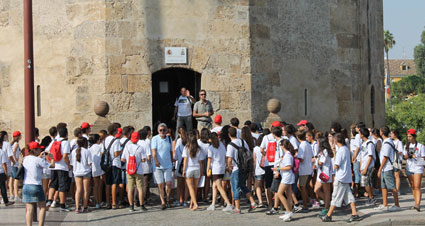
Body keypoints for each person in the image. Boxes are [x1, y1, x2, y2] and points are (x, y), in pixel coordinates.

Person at [321, 133, 361, 222]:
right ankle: (354, 214)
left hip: (341, 177)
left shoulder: (341, 151)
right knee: (349, 196)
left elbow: (336, 166)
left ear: (335, 141)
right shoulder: (346, 149)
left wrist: (334, 153)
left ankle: (328, 215)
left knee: (335, 196)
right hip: (346, 176)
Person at [23, 142, 55, 226]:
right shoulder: (38, 160)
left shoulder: (25, 159)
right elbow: (51, 166)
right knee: (42, 207)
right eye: (39, 148)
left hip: (26, 185)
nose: (41, 150)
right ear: (34, 150)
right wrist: (51, 158)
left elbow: (33, 163)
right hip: (36, 185)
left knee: (29, 209)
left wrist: (39, 156)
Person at [226, 127, 257, 214]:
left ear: (229, 135)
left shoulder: (230, 145)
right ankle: (253, 202)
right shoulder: (243, 142)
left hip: (236, 168)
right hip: (245, 168)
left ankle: (237, 208)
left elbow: (229, 159)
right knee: (243, 185)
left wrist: (229, 168)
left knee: (235, 187)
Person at [374, 126, 400, 211]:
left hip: (387, 167)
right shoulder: (387, 141)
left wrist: (380, 169)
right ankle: (385, 204)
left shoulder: (386, 143)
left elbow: (385, 157)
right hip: (385, 168)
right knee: (383, 186)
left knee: (392, 186)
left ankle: (397, 204)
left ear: (381, 132)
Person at [46, 127, 71, 212]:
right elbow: (65, 156)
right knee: (62, 186)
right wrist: (69, 165)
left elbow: (48, 152)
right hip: (62, 167)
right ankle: (62, 205)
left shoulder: (54, 141)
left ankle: (49, 200)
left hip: (54, 166)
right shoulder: (66, 143)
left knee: (53, 184)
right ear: (66, 134)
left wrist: (53, 160)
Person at [206, 132, 233, 212]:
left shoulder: (211, 148)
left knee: (219, 187)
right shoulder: (222, 145)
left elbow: (209, 160)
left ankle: (228, 204)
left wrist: (207, 169)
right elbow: (225, 156)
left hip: (216, 169)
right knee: (214, 186)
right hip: (222, 168)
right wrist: (226, 166)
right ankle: (213, 204)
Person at [121, 132, 147, 212]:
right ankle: (142, 205)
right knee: (140, 188)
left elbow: (123, 159)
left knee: (130, 188)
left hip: (129, 170)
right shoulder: (140, 148)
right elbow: (143, 160)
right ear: (138, 138)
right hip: (138, 170)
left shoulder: (127, 147)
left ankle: (131, 206)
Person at [151, 123, 173, 210]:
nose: (162, 131)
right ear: (158, 131)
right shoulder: (155, 139)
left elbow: (171, 151)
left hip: (168, 164)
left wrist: (172, 160)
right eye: (160, 130)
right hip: (158, 165)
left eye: (164, 130)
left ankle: (167, 199)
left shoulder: (169, 139)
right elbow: (154, 151)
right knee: (160, 184)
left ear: (167, 130)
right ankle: (162, 201)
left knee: (168, 183)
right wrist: (156, 161)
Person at [403, 129, 425, 212]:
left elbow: (423, 158)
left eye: (410, 136)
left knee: (417, 186)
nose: (408, 138)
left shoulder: (420, 146)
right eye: (408, 136)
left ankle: (418, 204)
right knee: (413, 186)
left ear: (414, 136)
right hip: (409, 168)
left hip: (418, 168)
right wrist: (406, 156)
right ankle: (416, 202)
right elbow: (404, 157)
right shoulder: (406, 146)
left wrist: (416, 157)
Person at [275, 139, 296, 222]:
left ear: (283, 146)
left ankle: (288, 211)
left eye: (280, 145)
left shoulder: (287, 155)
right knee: (289, 194)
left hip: (287, 177)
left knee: (279, 193)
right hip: (287, 176)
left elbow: (288, 167)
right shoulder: (287, 154)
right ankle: (288, 212)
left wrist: (278, 168)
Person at [182, 132, 203, 211]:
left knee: (190, 188)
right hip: (197, 168)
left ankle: (195, 204)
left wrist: (183, 170)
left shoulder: (186, 148)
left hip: (189, 168)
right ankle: (192, 203)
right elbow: (201, 162)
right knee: (195, 188)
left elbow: (185, 160)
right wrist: (201, 171)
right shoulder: (199, 149)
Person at [71, 137, 92, 213]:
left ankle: (77, 207)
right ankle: (85, 206)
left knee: (78, 189)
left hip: (77, 172)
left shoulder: (73, 152)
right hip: (86, 171)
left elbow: (72, 163)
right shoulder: (87, 151)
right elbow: (90, 163)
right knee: (86, 190)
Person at [103, 124, 122, 209]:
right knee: (114, 183)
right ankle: (114, 203)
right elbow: (116, 153)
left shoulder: (106, 139)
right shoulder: (116, 140)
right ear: (114, 131)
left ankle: (108, 202)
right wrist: (121, 151)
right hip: (115, 163)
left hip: (107, 163)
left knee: (108, 183)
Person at [314, 137, 333, 217]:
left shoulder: (325, 151)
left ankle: (326, 207)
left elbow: (321, 162)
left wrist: (316, 161)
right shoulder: (321, 151)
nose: (316, 143)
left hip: (325, 173)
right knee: (316, 190)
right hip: (320, 173)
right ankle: (328, 202)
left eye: (317, 141)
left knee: (326, 191)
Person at [296, 130, 314, 213]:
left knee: (302, 187)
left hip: (304, 170)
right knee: (306, 186)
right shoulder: (308, 144)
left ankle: (305, 205)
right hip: (309, 168)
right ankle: (311, 200)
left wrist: (296, 157)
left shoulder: (302, 145)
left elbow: (301, 159)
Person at [359, 127, 376, 206]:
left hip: (368, 166)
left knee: (366, 182)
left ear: (362, 134)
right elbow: (362, 156)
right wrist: (360, 166)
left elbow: (370, 156)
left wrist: (366, 168)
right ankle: (370, 197)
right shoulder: (363, 143)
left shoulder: (369, 143)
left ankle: (371, 197)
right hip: (363, 166)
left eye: (360, 133)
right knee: (366, 183)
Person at [172, 127, 188, 206]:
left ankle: (179, 200)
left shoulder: (178, 141)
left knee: (179, 185)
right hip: (187, 165)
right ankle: (185, 200)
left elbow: (175, 155)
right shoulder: (188, 140)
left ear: (178, 133)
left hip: (179, 165)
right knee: (185, 185)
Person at [138, 128, 153, 206]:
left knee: (138, 184)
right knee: (145, 184)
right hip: (146, 167)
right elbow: (149, 156)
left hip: (138, 167)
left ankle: (136, 200)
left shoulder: (136, 143)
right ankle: (144, 199)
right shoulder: (146, 143)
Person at [89, 133, 104, 209]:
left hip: (93, 168)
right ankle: (100, 200)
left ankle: (97, 202)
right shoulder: (100, 146)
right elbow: (102, 154)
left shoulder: (90, 148)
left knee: (95, 185)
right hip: (100, 167)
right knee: (99, 185)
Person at [0, 133, 14, 206]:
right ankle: (6, 201)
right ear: (1, 144)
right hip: (1, 172)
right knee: (3, 187)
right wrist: (6, 173)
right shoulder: (2, 152)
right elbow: (4, 164)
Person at [253, 134, 266, 207]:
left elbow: (254, 160)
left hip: (258, 169)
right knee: (267, 186)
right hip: (266, 169)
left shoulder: (256, 148)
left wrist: (254, 170)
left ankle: (260, 201)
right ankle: (268, 201)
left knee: (258, 186)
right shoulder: (266, 148)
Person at [10, 131, 22, 201]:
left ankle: (11, 194)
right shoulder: (16, 144)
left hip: (12, 164)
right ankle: (16, 195)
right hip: (14, 164)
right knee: (16, 179)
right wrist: (15, 158)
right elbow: (14, 151)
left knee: (11, 179)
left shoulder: (11, 143)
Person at [390, 129, 403, 194]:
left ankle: (398, 190)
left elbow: (400, 152)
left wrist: (394, 150)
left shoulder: (399, 142)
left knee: (396, 175)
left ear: (395, 134)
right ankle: (394, 189)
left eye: (392, 133)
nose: (391, 135)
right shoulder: (391, 141)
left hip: (397, 161)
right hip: (392, 160)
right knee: (393, 175)